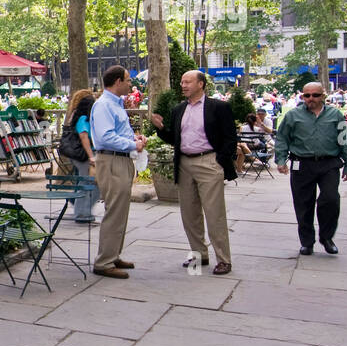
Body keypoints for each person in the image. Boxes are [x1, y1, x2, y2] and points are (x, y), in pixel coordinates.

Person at [149, 70, 238, 275]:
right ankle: (199, 256)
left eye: (188, 81)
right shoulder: (178, 109)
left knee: (214, 213)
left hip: (209, 161)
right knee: (189, 214)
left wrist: (219, 161)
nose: (183, 85)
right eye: (181, 81)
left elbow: (230, 138)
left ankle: (224, 259)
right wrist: (160, 129)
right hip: (184, 164)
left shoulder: (219, 107)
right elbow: (174, 139)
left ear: (201, 84)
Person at [275, 81, 347, 255]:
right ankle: (307, 242)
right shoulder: (293, 115)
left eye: (315, 95)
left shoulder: (335, 115)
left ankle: (326, 237)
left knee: (330, 199)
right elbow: (282, 138)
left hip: (329, 163)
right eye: (307, 95)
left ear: (323, 96)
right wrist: (281, 160)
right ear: (303, 96)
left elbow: (344, 140)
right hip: (301, 164)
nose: (311, 98)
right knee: (303, 204)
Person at [89, 66, 145, 278]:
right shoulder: (104, 105)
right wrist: (133, 145)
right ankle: (104, 262)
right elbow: (105, 137)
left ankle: (112, 255)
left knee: (120, 211)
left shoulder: (114, 104)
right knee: (114, 212)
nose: (130, 84)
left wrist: (134, 141)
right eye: (128, 80)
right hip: (112, 160)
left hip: (119, 160)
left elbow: (118, 134)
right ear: (117, 81)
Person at [58, 87, 97, 224]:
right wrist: (91, 155)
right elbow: (83, 136)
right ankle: (81, 213)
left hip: (79, 155)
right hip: (83, 155)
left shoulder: (76, 115)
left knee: (87, 182)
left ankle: (81, 208)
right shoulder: (83, 118)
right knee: (86, 182)